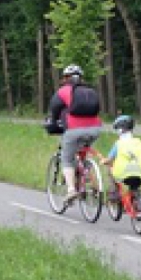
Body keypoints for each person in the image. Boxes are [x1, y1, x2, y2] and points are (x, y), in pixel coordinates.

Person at [44, 64, 103, 204]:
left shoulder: (63, 91)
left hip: (74, 129)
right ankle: (88, 174)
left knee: (67, 159)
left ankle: (71, 190)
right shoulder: (89, 91)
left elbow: (54, 111)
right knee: (83, 151)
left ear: (65, 78)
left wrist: (51, 125)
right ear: (81, 77)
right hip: (95, 129)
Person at [102, 114, 141, 208]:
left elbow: (109, 159)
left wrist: (104, 161)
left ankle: (114, 193)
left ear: (120, 130)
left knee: (110, 170)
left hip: (124, 173)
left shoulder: (118, 143)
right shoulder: (139, 141)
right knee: (134, 185)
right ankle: (137, 202)